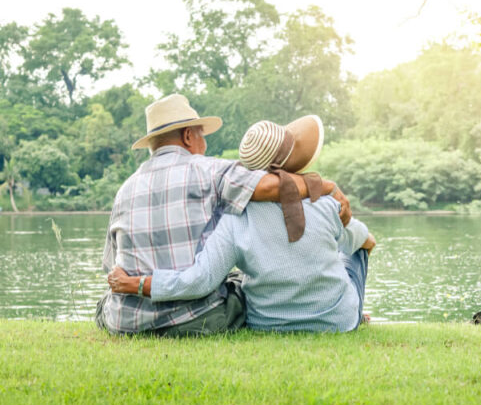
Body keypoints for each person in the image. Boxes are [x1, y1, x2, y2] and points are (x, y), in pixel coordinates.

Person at [97, 94, 351, 336]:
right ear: (188, 136)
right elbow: (269, 186)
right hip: (196, 318)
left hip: (127, 321)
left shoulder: (125, 189)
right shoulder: (210, 171)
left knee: (102, 307)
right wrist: (325, 186)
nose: (204, 145)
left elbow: (111, 268)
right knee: (237, 282)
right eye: (201, 136)